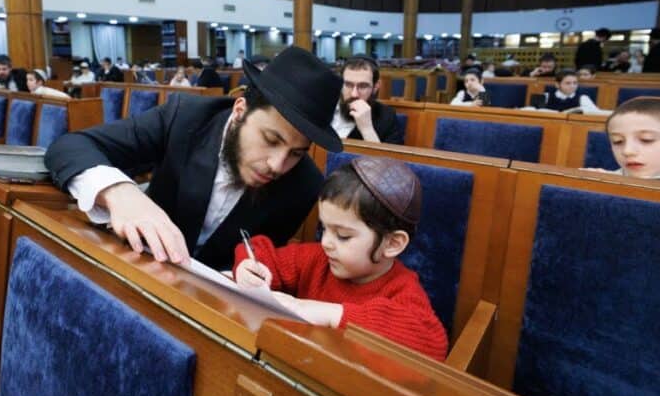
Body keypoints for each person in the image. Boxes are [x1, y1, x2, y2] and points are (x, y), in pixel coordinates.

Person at [45, 46, 343, 271]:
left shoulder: (304, 185)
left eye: (295, 153)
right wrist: (121, 195)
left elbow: (260, 259)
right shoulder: (184, 117)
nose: (278, 165)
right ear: (239, 112)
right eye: (270, 140)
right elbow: (70, 147)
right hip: (135, 270)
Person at [233, 157, 448, 360]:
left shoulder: (403, 290)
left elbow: (432, 343)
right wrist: (249, 267)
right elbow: (258, 249)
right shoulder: (318, 258)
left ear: (392, 243)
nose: (326, 242)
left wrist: (332, 314)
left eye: (343, 236)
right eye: (323, 228)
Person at [330, 56, 403, 144]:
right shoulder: (322, 106)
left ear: (376, 87)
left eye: (363, 86)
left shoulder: (387, 117)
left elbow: (392, 157)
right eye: (348, 85)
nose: (354, 94)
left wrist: (367, 129)